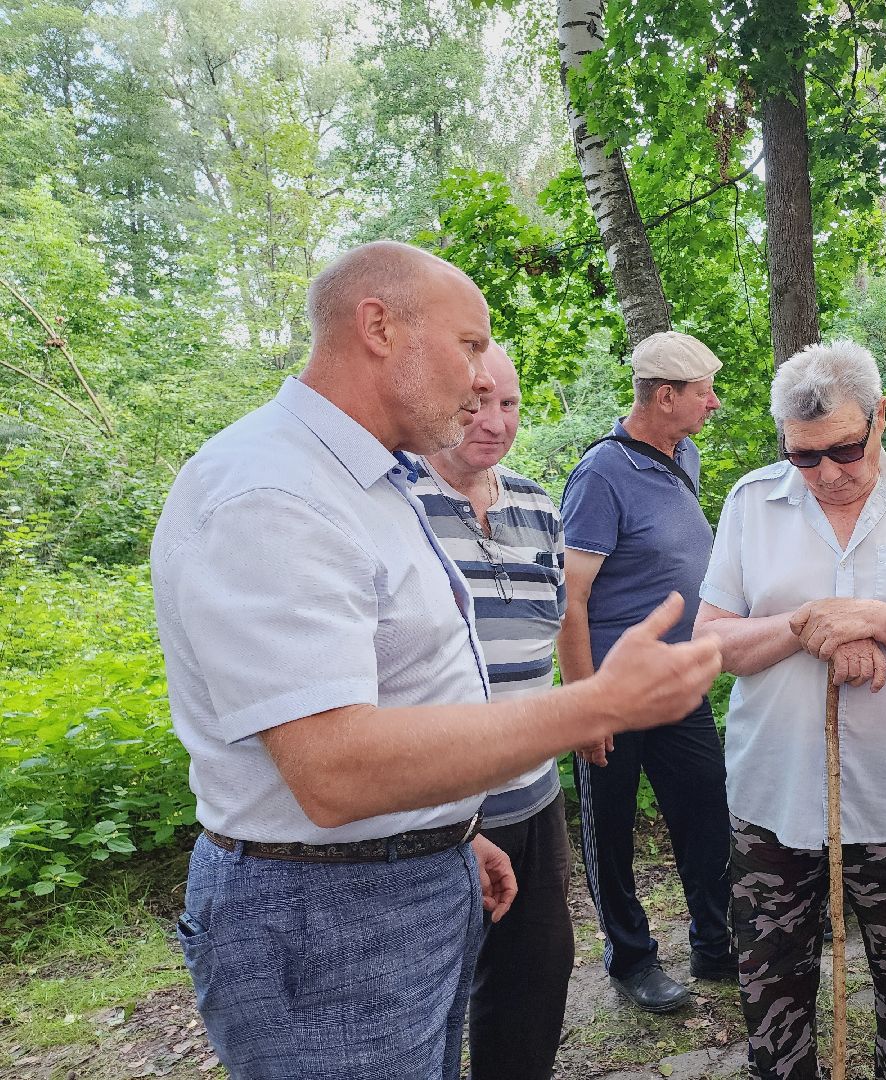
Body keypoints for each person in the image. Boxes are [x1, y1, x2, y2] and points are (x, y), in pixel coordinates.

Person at [149, 241, 721, 1080]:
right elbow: (332, 771)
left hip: (390, 874)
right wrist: (596, 704)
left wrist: (447, 835)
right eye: (470, 345)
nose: (481, 377)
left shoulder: (364, 482)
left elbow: (399, 692)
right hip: (328, 917)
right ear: (378, 326)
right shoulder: (272, 493)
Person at [693, 340, 886, 1080]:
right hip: (776, 804)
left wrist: (877, 620)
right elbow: (712, 645)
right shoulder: (752, 503)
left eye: (844, 451)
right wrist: (808, 625)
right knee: (774, 1006)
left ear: (880, 418)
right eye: (804, 457)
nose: (827, 474)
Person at [557, 331, 733, 1013]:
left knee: (705, 807)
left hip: (676, 683)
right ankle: (631, 959)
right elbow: (571, 598)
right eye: (702, 393)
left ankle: (715, 944)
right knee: (611, 831)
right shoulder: (601, 473)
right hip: (612, 687)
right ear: (665, 397)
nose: (713, 403)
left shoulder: (680, 452)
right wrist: (585, 706)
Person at [415, 340, 572, 1080]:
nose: (494, 421)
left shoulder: (539, 505)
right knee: (431, 997)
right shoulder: (400, 506)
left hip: (534, 796)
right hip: (433, 812)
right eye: (476, 403)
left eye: (508, 404)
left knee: (535, 983)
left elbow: (555, 624)